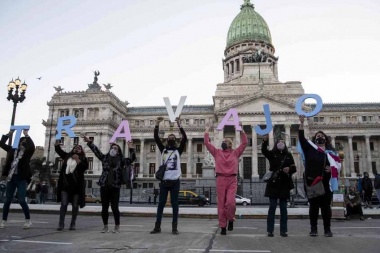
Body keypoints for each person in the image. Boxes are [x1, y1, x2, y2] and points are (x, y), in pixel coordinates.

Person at [298, 115, 341, 237]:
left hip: (326, 182)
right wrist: (301, 123)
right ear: (314, 139)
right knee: (314, 207)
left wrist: (331, 169)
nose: (320, 138)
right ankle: (313, 229)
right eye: (318, 136)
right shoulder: (310, 149)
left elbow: (338, 166)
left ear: (326, 140)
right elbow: (301, 138)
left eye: (322, 136)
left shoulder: (332, 153)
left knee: (326, 207)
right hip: (312, 182)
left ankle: (327, 229)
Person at [83, 136, 136, 233]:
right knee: (104, 207)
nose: (113, 149)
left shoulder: (122, 160)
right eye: (112, 147)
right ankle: (105, 226)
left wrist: (131, 147)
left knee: (115, 207)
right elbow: (97, 152)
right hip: (104, 185)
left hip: (115, 186)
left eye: (116, 148)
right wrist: (90, 143)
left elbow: (132, 158)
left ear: (118, 151)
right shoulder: (104, 158)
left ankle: (117, 226)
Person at [204, 122, 247, 235]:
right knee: (221, 205)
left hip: (232, 179)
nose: (224, 143)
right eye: (223, 142)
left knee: (230, 203)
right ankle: (223, 226)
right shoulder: (217, 152)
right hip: (220, 179)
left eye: (226, 142)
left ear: (230, 144)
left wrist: (241, 130)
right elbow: (207, 143)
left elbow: (244, 143)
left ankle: (231, 219)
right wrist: (207, 130)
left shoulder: (235, 153)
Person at [150, 117, 187, 235]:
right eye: (169, 137)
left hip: (175, 180)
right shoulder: (163, 149)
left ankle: (174, 228)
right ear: (167, 140)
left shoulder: (178, 150)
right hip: (165, 181)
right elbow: (156, 138)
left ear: (175, 140)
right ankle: (157, 226)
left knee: (175, 205)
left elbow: (185, 139)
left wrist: (179, 124)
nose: (171, 138)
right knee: (161, 204)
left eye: (173, 137)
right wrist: (156, 124)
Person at [261, 135, 296, 237]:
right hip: (274, 183)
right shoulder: (272, 154)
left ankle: (283, 230)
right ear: (276, 144)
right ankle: (270, 230)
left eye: (282, 142)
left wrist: (289, 170)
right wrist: (264, 141)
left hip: (284, 184)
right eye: (279, 142)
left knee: (284, 208)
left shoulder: (288, 155)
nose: (281, 143)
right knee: (272, 207)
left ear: (285, 145)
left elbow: (294, 168)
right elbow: (264, 151)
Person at [0, 129, 35, 229]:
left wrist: (27, 135)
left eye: (24, 142)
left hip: (21, 178)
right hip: (11, 177)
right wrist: (9, 134)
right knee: (7, 200)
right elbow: (1, 144)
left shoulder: (27, 153)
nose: (22, 143)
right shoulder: (12, 150)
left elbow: (32, 147)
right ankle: (3, 220)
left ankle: (28, 220)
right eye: (21, 141)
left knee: (21, 200)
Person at [55, 141, 88, 231]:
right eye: (75, 147)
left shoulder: (83, 159)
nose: (77, 148)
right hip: (65, 185)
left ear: (81, 151)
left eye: (79, 148)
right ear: (73, 149)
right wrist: (57, 145)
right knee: (64, 204)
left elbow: (84, 167)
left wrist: (77, 160)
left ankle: (72, 223)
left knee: (74, 206)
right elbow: (59, 151)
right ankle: (61, 223)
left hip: (76, 186)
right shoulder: (67, 157)